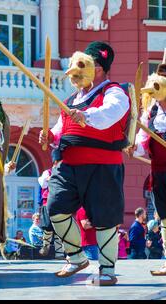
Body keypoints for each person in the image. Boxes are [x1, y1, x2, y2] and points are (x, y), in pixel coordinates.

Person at [39, 41, 131, 286]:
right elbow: (61, 130)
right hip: (68, 165)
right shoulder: (70, 100)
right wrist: (50, 136)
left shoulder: (113, 92)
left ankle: (107, 269)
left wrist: (86, 116)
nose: (73, 73)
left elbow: (109, 115)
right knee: (55, 208)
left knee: (104, 218)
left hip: (102, 164)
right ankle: (76, 257)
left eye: (82, 66)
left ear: (98, 68)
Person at [132, 63, 166, 275]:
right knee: (165, 216)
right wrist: (133, 147)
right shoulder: (150, 113)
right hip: (158, 172)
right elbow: (142, 141)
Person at [37, 151, 64, 259]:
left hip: (60, 203)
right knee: (48, 227)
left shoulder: (65, 173)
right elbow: (43, 183)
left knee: (59, 229)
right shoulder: (47, 172)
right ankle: (46, 245)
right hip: (47, 203)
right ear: (55, 162)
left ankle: (60, 253)